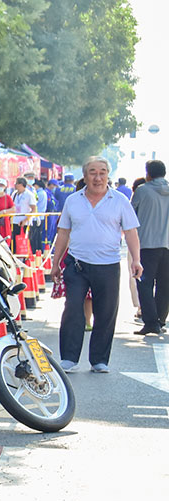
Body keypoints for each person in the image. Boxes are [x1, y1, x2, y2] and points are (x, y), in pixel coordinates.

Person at [51, 157, 142, 373]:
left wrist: (136, 260)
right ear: (85, 176)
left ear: (108, 175)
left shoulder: (119, 200)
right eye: (92, 172)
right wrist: (56, 263)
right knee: (73, 309)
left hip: (108, 264)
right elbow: (63, 232)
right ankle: (69, 358)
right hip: (76, 264)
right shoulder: (73, 200)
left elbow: (131, 232)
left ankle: (99, 360)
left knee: (106, 311)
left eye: (102, 172)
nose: (98, 177)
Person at [131, 160, 169, 335]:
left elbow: (131, 214)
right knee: (164, 284)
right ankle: (161, 319)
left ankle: (150, 322)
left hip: (146, 244)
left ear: (148, 173)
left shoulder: (142, 191)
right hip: (167, 246)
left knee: (144, 284)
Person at [12, 177, 37, 251]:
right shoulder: (14, 194)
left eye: (16, 183)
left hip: (25, 223)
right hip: (15, 221)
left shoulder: (29, 195)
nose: (15, 185)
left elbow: (34, 209)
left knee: (25, 243)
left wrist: (25, 220)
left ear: (21, 184)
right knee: (14, 243)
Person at [33, 179, 49, 251]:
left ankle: (36, 250)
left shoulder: (38, 193)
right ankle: (39, 250)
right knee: (38, 235)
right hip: (41, 216)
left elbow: (35, 204)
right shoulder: (43, 192)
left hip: (37, 217)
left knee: (35, 236)